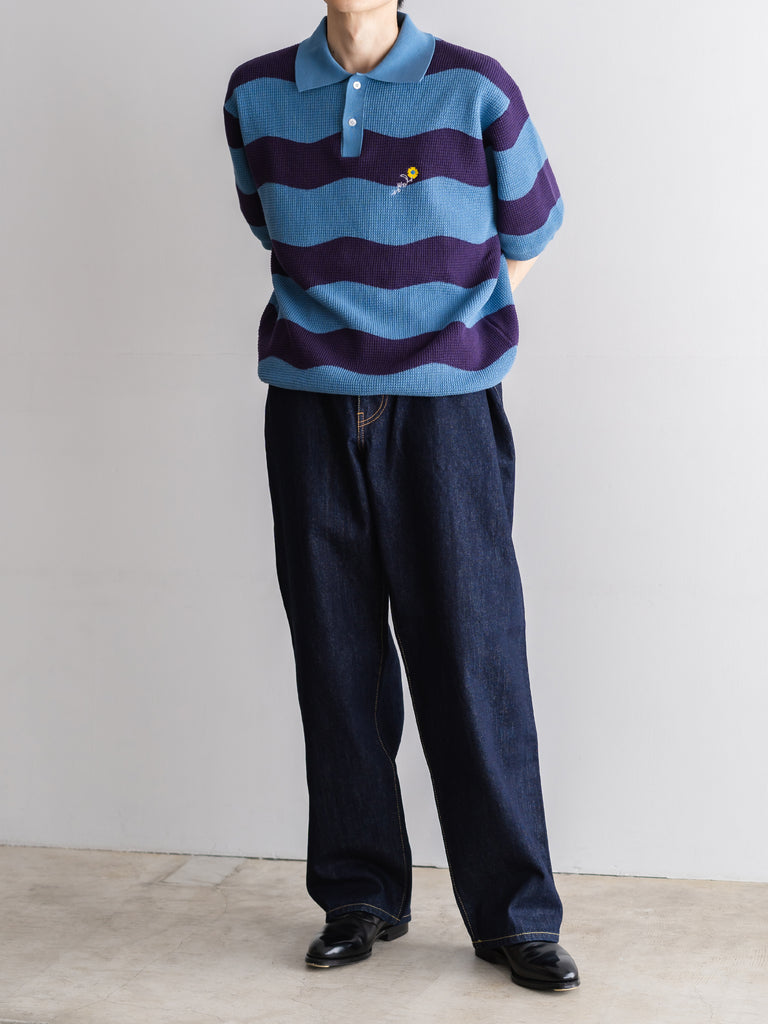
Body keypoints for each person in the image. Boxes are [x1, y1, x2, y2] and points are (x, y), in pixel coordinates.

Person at [223, 0, 580, 993]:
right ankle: (358, 894)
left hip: (446, 413)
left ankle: (515, 915)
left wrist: (450, 331)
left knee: (473, 654)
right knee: (335, 657)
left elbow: (534, 227)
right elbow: (270, 222)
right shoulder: (256, 94)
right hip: (307, 406)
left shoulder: (474, 87)